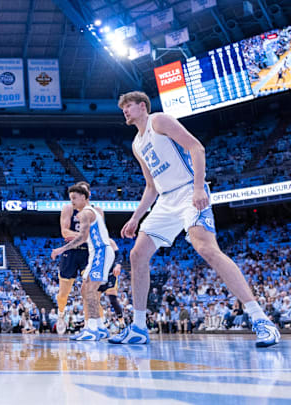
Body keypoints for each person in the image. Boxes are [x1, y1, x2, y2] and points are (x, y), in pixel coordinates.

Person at [112, 91, 280, 347]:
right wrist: (136, 218)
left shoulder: (159, 120)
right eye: (122, 107)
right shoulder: (136, 144)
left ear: (142, 106)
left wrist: (199, 187)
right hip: (165, 201)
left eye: (128, 105)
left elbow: (196, 147)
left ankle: (261, 320)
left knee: (206, 248)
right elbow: (151, 186)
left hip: (189, 190)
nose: (124, 110)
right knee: (137, 255)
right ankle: (138, 327)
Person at [52, 184, 116, 341]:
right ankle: (99, 327)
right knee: (84, 290)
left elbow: (82, 237)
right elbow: (70, 233)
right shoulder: (83, 211)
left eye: (74, 197)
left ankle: (92, 329)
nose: (72, 201)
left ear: (84, 196)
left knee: (90, 291)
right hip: (91, 253)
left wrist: (60, 249)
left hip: (98, 252)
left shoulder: (87, 213)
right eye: (71, 198)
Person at [55, 181, 91, 335]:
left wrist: (85, 238)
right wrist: (85, 236)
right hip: (70, 251)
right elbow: (64, 232)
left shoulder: (94, 211)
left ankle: (90, 324)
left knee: (89, 289)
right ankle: (61, 314)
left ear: (86, 195)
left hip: (87, 253)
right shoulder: (68, 208)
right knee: (64, 293)